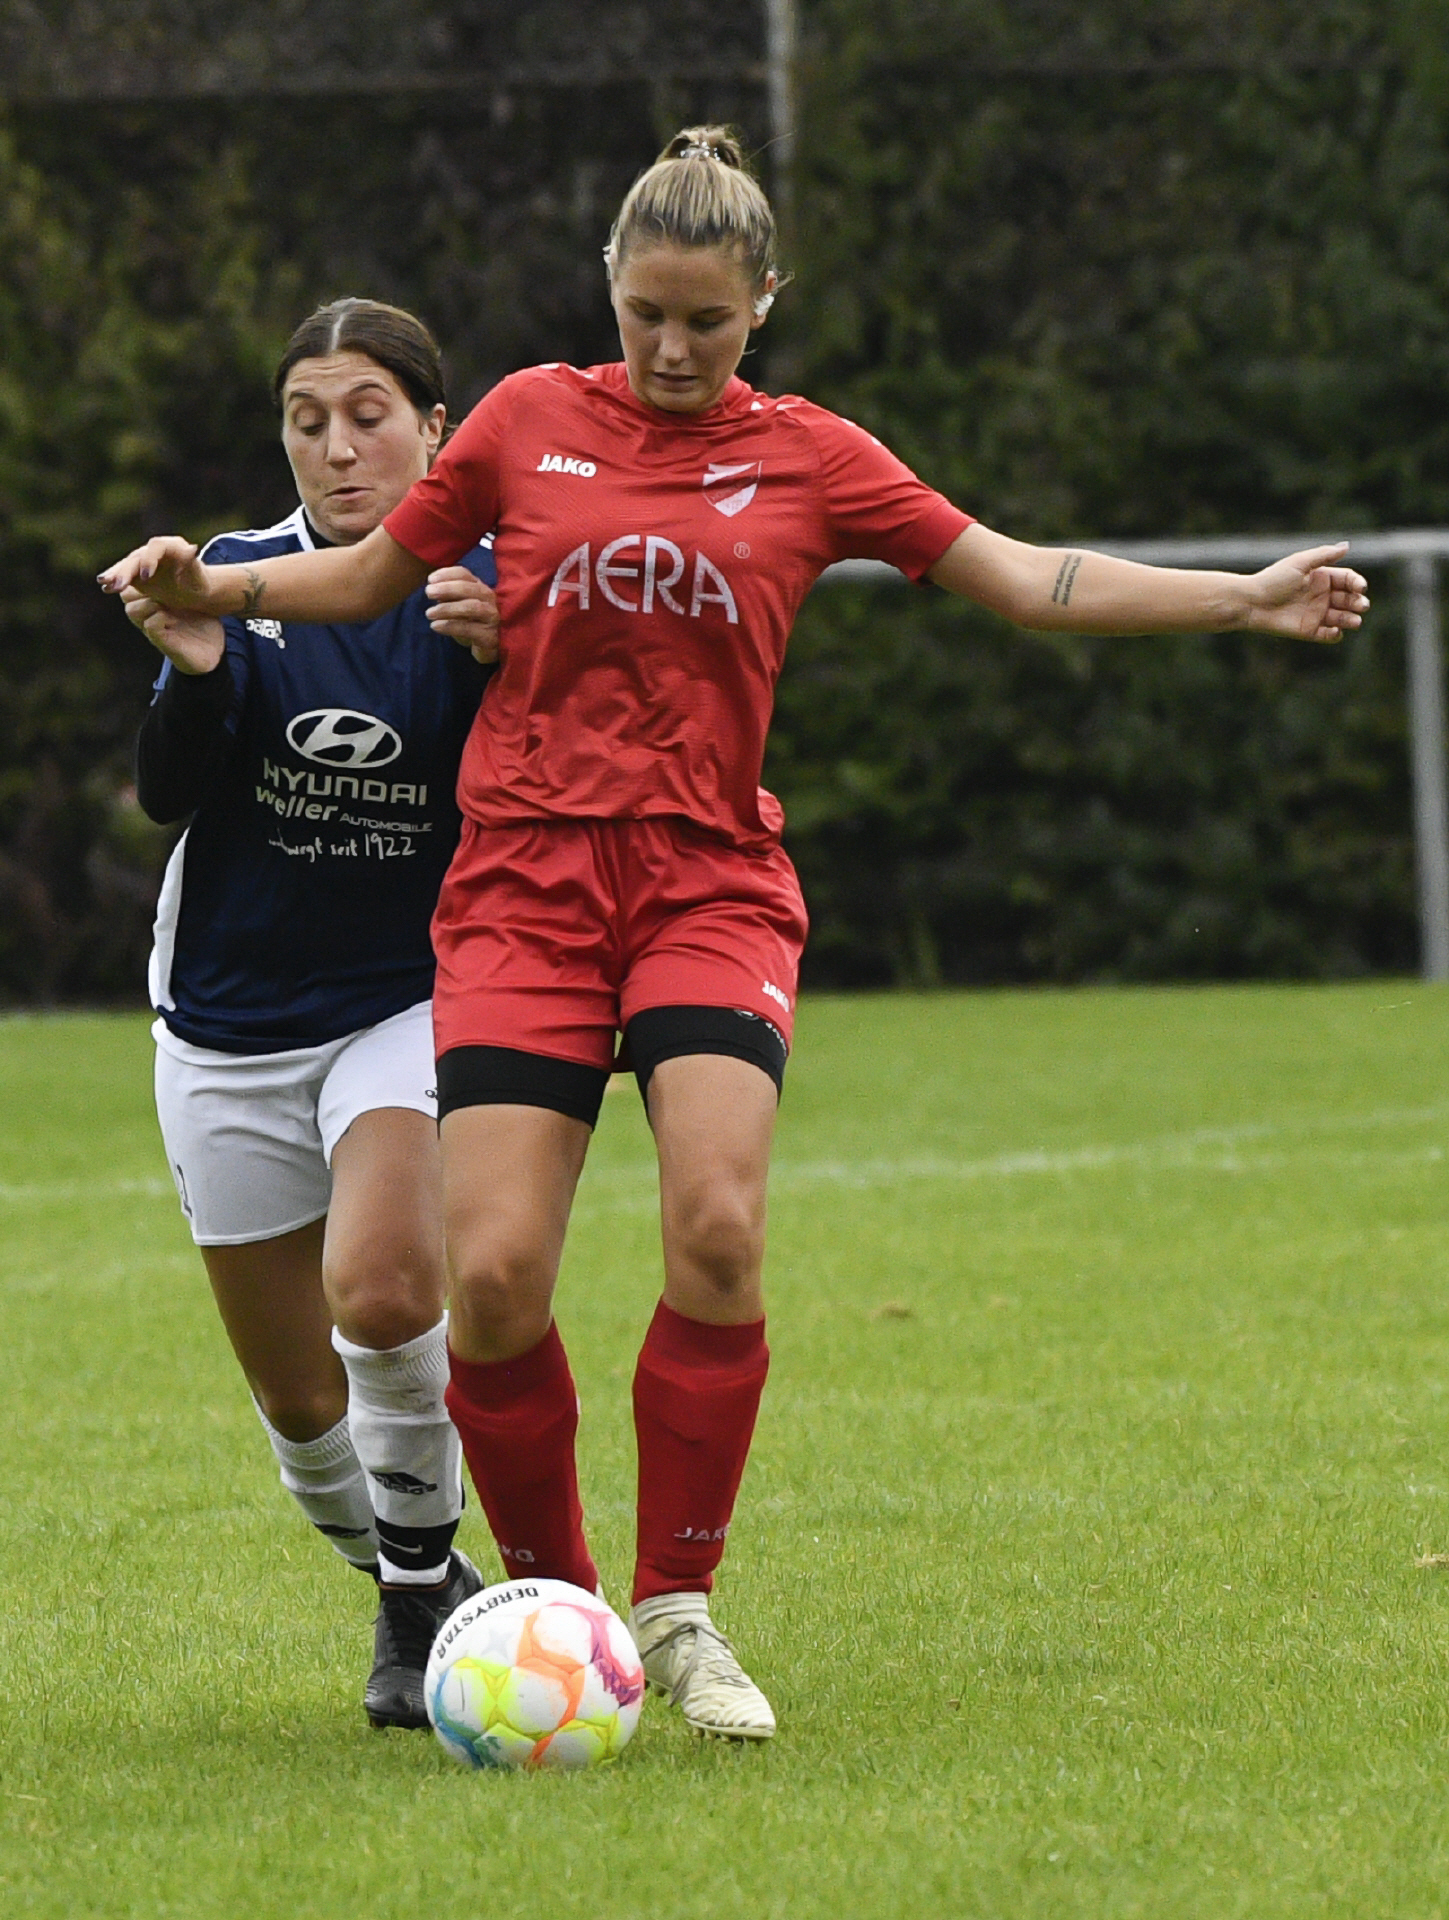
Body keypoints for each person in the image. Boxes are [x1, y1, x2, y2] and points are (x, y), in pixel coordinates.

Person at [101, 130, 1369, 1742]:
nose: (671, 348)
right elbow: (359, 578)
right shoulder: (522, 421)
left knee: (714, 1229)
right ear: (608, 293)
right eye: (644, 315)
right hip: (524, 889)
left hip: (703, 883)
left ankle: (679, 1611)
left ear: (763, 301)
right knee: (491, 1275)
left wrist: (1240, 597)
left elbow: (1017, 577)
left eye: (705, 319)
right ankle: (554, 1611)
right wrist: (209, 589)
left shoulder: (814, 456)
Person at [120, 297, 501, 1731]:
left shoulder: (491, 586)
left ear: (435, 429)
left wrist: (520, 656)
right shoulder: (238, 578)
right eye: (306, 420)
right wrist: (196, 664)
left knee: (388, 1292)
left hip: (403, 1000)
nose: (337, 447)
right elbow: (167, 792)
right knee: (300, 1410)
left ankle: (412, 1617)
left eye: (367, 415)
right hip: (224, 1028)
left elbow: (568, 772)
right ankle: (421, 1579)